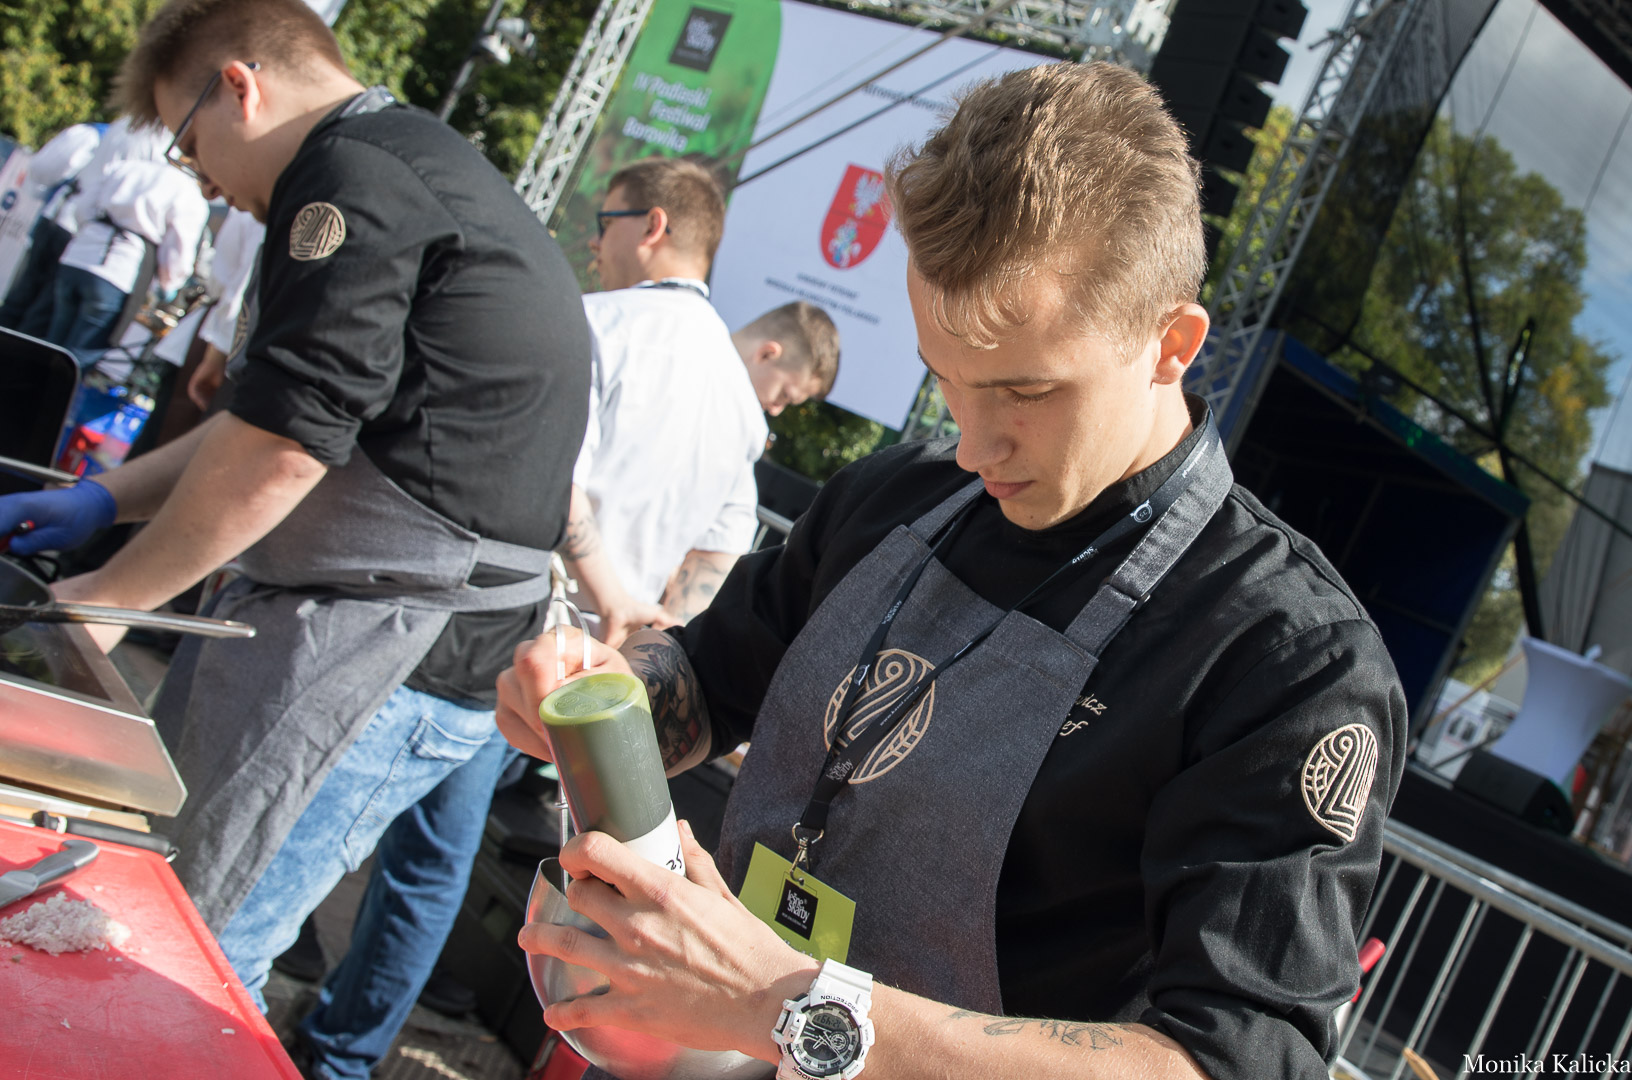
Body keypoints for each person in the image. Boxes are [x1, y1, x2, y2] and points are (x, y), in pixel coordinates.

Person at [497, 62, 1405, 1080]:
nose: (975, 446)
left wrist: (792, 1007)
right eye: (948, 381)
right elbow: (706, 682)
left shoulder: (1285, 659)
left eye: (1026, 392)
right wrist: (603, 701)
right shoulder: (898, 495)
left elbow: (1232, 1062)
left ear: (1171, 345)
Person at [0, 4, 590, 1076]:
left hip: (387, 645)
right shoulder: (394, 160)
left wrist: (110, 596)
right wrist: (106, 499)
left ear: (240, 85)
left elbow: (286, 449)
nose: (199, 179)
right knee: (156, 897)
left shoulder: (355, 176)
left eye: (189, 144)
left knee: (185, 953)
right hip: (346, 615)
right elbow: (271, 417)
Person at [564, 159, 839, 644]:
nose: (595, 241)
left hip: (528, 624)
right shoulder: (742, 410)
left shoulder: (595, 322)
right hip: (610, 655)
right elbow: (718, 554)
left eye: (605, 223)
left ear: (651, 227)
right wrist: (649, 641)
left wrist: (612, 604)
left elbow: (554, 475)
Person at [46, 153, 208, 354]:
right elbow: (178, 252)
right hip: (118, 272)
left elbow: (83, 209)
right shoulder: (189, 193)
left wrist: (92, 237)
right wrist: (168, 286)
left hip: (77, 258)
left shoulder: (127, 166)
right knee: (81, 354)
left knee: (52, 343)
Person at [0, 122, 104, 337]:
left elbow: (43, 169)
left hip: (63, 223)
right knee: (40, 314)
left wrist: (41, 193)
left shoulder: (96, 133)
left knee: (22, 301)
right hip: (85, 238)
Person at [184, 202, 266, 408]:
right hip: (231, 333)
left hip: (230, 335)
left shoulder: (254, 210)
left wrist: (216, 353)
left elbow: (229, 285)